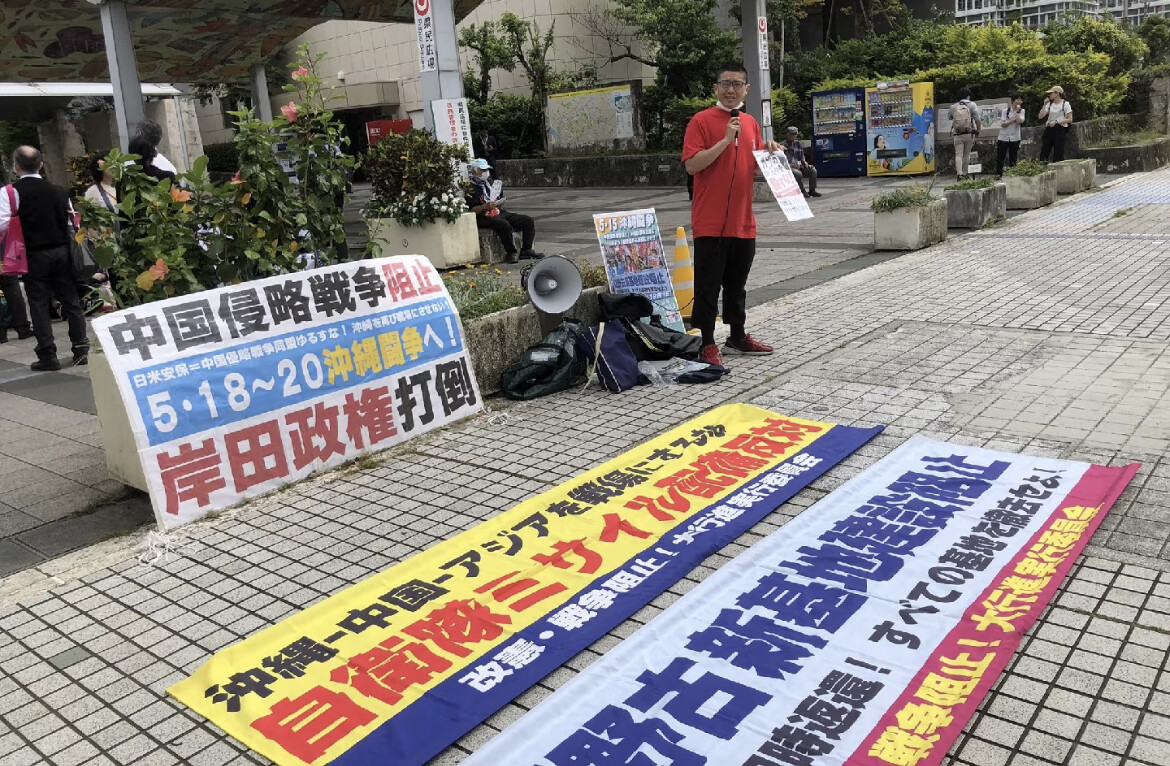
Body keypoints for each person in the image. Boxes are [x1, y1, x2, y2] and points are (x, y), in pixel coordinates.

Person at [682, 62, 782, 367]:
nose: (731, 90)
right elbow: (692, 165)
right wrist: (725, 140)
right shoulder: (700, 121)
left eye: (737, 84)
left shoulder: (749, 123)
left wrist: (770, 152)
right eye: (725, 83)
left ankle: (737, 336)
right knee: (708, 285)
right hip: (710, 222)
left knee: (737, 284)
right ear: (715, 87)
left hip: (743, 220)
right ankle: (707, 342)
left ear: (747, 89)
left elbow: (752, 166)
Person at [0, 147, 88, 370]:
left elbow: (2, 224)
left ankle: (48, 355)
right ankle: (81, 349)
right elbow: (72, 222)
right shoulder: (59, 191)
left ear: (16, 167)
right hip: (62, 251)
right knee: (71, 300)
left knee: (38, 303)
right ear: (41, 165)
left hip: (32, 254)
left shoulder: (10, 193)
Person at [465, 158, 543, 264]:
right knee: (504, 224)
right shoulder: (471, 188)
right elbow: (472, 209)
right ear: (475, 171)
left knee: (527, 220)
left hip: (497, 211)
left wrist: (499, 202)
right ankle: (511, 252)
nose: (485, 173)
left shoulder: (489, 183)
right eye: (482, 170)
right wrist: (484, 206)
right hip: (483, 215)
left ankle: (526, 250)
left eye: (486, 170)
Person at [948, 89, 982, 179]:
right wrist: (978, 131)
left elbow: (949, 117)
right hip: (969, 133)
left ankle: (959, 175)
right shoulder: (972, 105)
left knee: (958, 154)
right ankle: (965, 173)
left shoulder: (954, 106)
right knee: (967, 154)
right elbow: (977, 119)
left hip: (957, 134)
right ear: (968, 96)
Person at [782, 126, 820, 198]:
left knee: (813, 170)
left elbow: (802, 157)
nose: (793, 136)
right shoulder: (783, 145)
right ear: (787, 134)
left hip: (798, 165)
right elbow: (782, 161)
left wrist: (806, 163)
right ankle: (802, 191)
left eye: (795, 134)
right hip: (788, 167)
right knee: (798, 173)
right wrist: (791, 165)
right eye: (791, 134)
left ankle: (812, 190)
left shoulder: (798, 144)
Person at [1039, 85, 1073, 162]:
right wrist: (1044, 104)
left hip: (1060, 128)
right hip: (1049, 128)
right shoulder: (1050, 104)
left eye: (1051, 93)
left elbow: (1070, 119)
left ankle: (1057, 165)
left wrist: (1057, 122)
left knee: (1058, 150)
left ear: (1057, 93)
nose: (1049, 95)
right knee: (1045, 149)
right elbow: (1040, 116)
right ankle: (1042, 163)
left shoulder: (1065, 104)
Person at [997, 94, 1025, 177]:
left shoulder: (1022, 111)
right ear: (1013, 100)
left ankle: (1012, 174)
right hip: (1003, 137)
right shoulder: (1006, 111)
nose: (1019, 101)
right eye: (1017, 99)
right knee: (1000, 156)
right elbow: (1003, 124)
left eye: (1021, 100)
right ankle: (998, 174)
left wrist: (1017, 112)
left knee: (1013, 157)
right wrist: (1013, 120)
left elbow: (1020, 121)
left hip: (1015, 137)